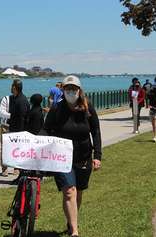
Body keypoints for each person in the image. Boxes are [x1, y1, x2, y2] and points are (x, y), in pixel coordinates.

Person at [43, 75, 102, 237]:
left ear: (79, 90)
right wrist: (36, 140)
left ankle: (71, 221)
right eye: (67, 89)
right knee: (70, 191)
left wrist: (97, 155)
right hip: (62, 158)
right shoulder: (57, 108)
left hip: (83, 157)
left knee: (79, 192)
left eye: (73, 89)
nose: (70, 92)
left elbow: (95, 131)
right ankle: (74, 232)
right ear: (63, 90)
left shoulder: (87, 107)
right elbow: (46, 129)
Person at [9, 79, 30, 181]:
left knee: (20, 155)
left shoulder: (21, 100)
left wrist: (20, 135)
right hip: (15, 130)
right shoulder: (16, 99)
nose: (10, 88)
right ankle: (20, 176)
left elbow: (22, 118)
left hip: (19, 132)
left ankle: (22, 176)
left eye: (12, 86)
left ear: (15, 88)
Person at [0, 94, 11, 177]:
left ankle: (16, 168)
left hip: (17, 126)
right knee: (4, 147)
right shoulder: (6, 99)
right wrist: (11, 115)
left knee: (17, 147)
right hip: (6, 126)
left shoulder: (21, 99)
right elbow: (1, 112)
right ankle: (4, 168)